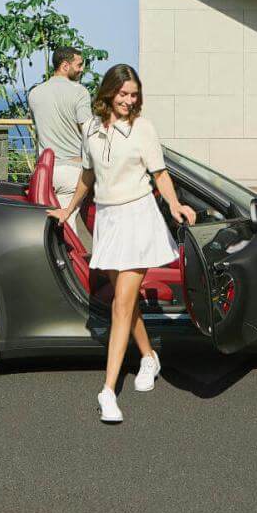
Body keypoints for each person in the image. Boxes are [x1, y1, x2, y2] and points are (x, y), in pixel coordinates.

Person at [51, 63, 195, 424]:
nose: (129, 100)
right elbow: (87, 175)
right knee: (127, 306)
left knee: (120, 305)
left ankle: (108, 391)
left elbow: (159, 174)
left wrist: (175, 204)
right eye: (123, 93)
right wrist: (67, 209)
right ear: (109, 93)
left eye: (134, 95)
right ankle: (149, 357)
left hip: (138, 218)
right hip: (109, 220)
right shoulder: (92, 131)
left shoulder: (143, 129)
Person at [27, 46, 89, 210]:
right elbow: (88, 131)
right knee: (68, 226)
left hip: (45, 172)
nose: (82, 69)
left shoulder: (34, 93)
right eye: (79, 65)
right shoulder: (80, 92)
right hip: (72, 171)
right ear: (65, 66)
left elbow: (39, 129)